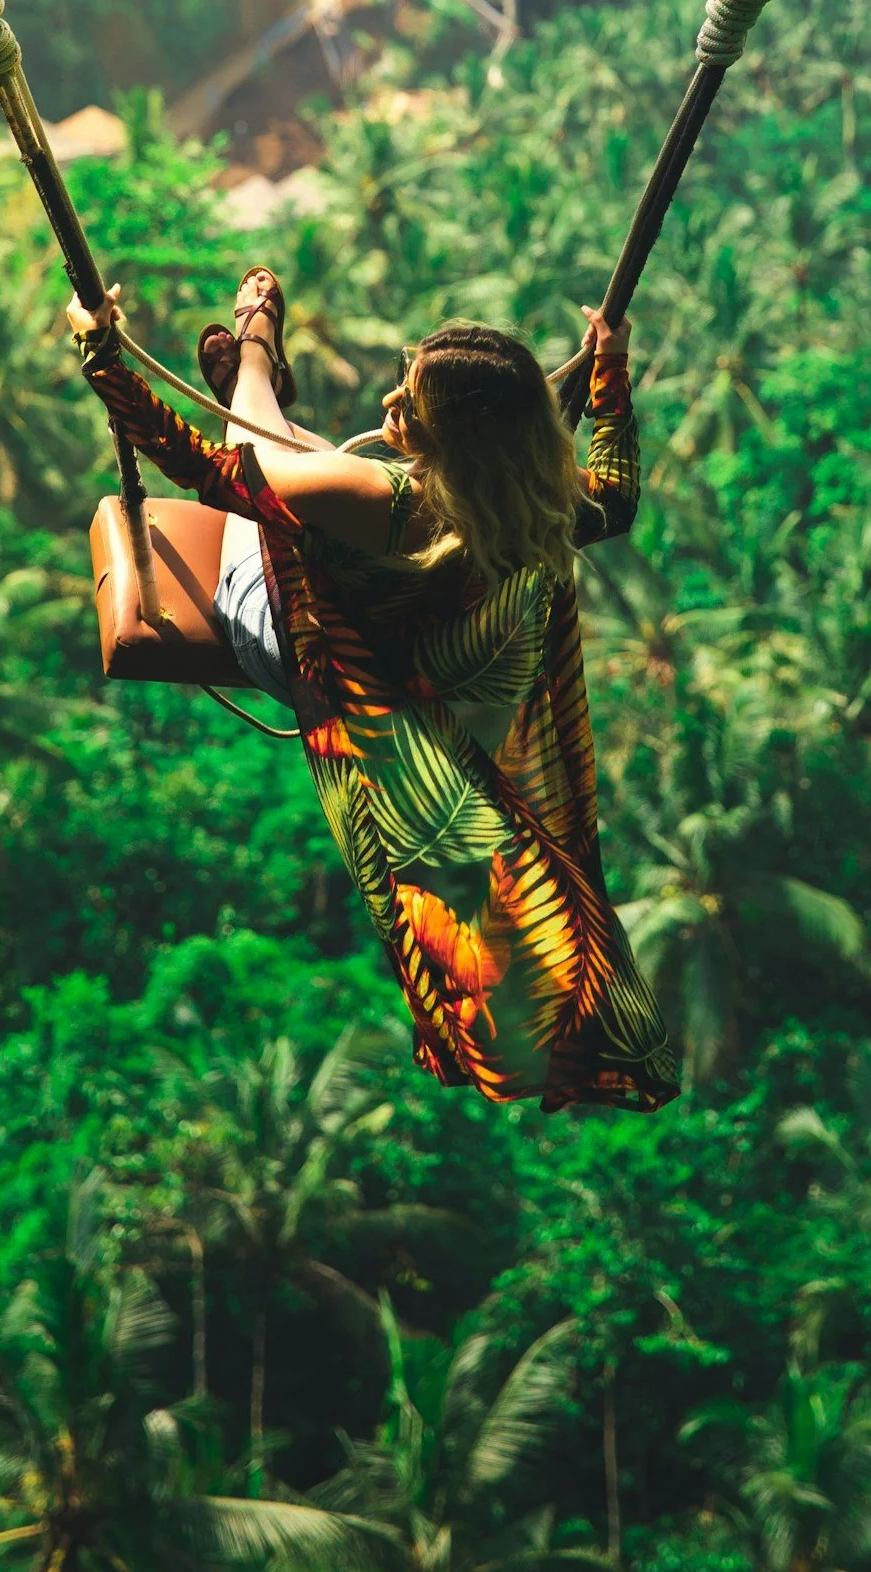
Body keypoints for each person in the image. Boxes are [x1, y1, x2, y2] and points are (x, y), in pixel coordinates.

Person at [68, 266, 677, 1112]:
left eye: (409, 404)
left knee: (273, 471)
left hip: (315, 651)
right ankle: (263, 395)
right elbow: (618, 491)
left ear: (450, 444)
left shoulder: (388, 499)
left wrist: (103, 352)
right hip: (425, 668)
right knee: (312, 478)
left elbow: (209, 472)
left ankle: (256, 365)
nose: (391, 402)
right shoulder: (542, 504)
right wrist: (608, 368)